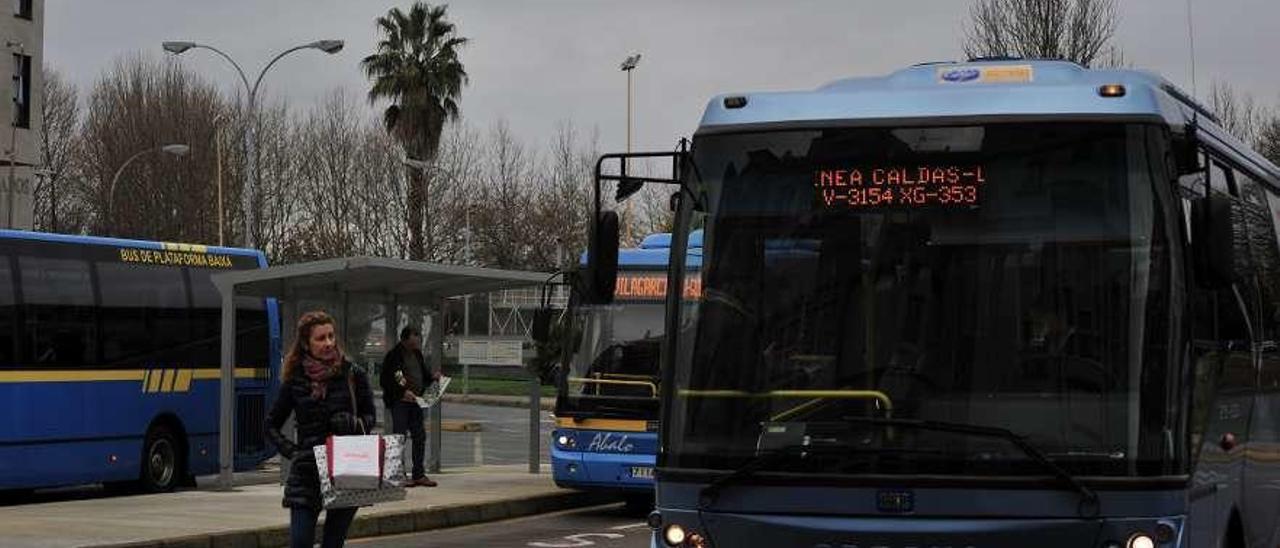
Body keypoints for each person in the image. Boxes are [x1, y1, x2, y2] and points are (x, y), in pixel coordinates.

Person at [265, 311, 377, 548]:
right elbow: (271, 425)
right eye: (320, 338)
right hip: (307, 474)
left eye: (331, 336)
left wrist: (352, 423)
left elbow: (370, 417)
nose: (328, 343)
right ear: (306, 343)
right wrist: (292, 451)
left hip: (345, 469)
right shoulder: (295, 380)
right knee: (301, 541)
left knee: (333, 542)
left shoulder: (353, 374)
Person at [379, 325, 441, 487]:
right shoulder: (395, 356)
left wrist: (433, 378)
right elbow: (395, 377)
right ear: (404, 340)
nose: (415, 346)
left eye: (417, 343)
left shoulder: (417, 354)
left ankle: (418, 474)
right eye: (412, 343)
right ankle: (399, 474)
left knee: (419, 436)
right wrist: (403, 392)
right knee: (400, 437)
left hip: (416, 402)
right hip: (401, 403)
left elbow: (423, 374)